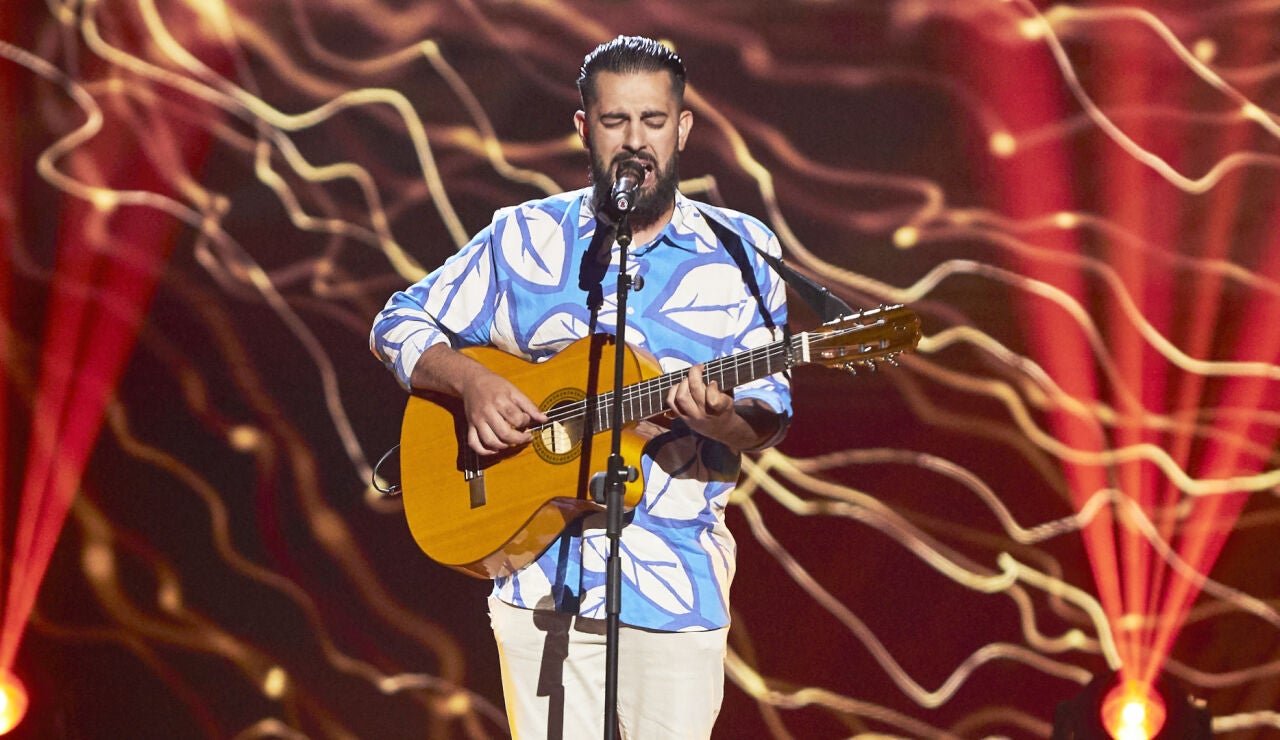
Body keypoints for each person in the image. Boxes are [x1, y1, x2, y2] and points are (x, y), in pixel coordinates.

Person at [370, 35, 792, 739]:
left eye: (653, 122)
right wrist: (472, 382)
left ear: (683, 128)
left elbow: (769, 413)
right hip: (541, 590)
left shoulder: (741, 252)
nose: (635, 141)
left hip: (674, 589)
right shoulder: (521, 238)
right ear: (583, 129)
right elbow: (399, 322)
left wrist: (718, 418)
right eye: (615, 121)